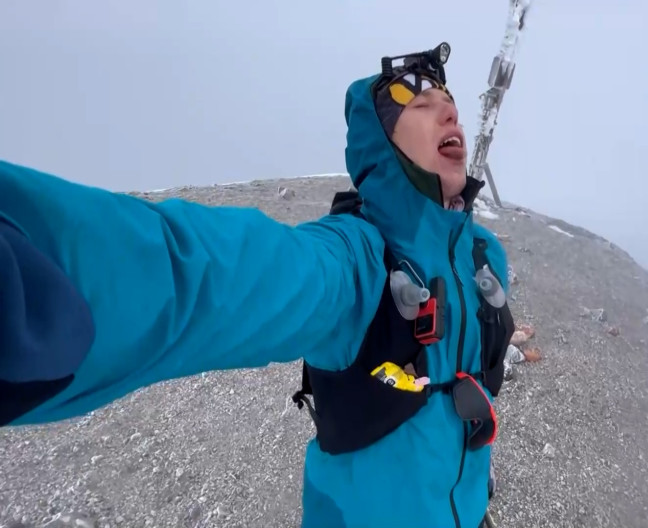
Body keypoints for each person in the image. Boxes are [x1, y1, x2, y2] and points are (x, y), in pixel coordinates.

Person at [0, 42, 515, 528]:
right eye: (422, 105)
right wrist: (32, 278)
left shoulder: (484, 254)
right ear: (381, 145)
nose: (450, 113)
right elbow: (217, 273)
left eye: (448, 101)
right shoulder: (355, 262)